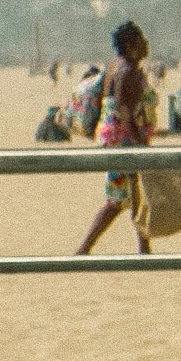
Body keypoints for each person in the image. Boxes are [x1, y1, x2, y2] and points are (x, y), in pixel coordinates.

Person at [72, 24, 165, 256]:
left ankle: (144, 247)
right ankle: (84, 248)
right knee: (117, 199)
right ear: (130, 45)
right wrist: (139, 143)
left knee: (133, 195)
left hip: (110, 137)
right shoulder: (130, 72)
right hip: (122, 140)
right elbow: (124, 110)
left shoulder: (114, 67)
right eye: (141, 39)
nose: (146, 44)